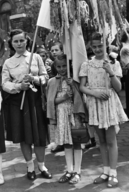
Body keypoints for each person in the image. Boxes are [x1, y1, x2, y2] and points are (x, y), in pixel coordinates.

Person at [79, 32, 128, 188]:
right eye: (94, 47)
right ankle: (105, 171)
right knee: (101, 141)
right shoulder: (87, 64)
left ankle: (113, 172)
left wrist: (110, 71)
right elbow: (82, 87)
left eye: (100, 46)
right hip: (95, 103)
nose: (97, 49)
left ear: (105, 45)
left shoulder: (114, 62)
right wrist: (94, 93)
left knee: (111, 140)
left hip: (109, 102)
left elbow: (119, 87)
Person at [2, 29, 51, 181]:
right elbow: (4, 84)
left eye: (21, 40)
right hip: (18, 102)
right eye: (15, 41)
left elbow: (46, 77)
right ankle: (30, 166)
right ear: (11, 43)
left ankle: (42, 166)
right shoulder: (8, 62)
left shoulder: (35, 57)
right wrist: (18, 87)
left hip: (35, 100)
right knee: (24, 136)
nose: (19, 44)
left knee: (39, 134)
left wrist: (35, 79)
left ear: (27, 41)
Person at [46, 54, 87, 184]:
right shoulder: (52, 82)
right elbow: (51, 101)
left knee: (76, 142)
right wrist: (63, 97)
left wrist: (73, 87)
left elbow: (80, 98)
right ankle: (69, 170)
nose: (62, 69)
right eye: (59, 66)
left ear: (68, 65)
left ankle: (77, 171)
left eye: (64, 66)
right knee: (67, 143)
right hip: (61, 115)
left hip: (74, 115)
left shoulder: (73, 80)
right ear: (55, 67)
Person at [49, 42, 65, 153]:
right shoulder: (51, 65)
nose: (54, 52)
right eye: (52, 50)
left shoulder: (67, 61)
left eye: (56, 50)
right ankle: (59, 142)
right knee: (57, 121)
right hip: (56, 92)